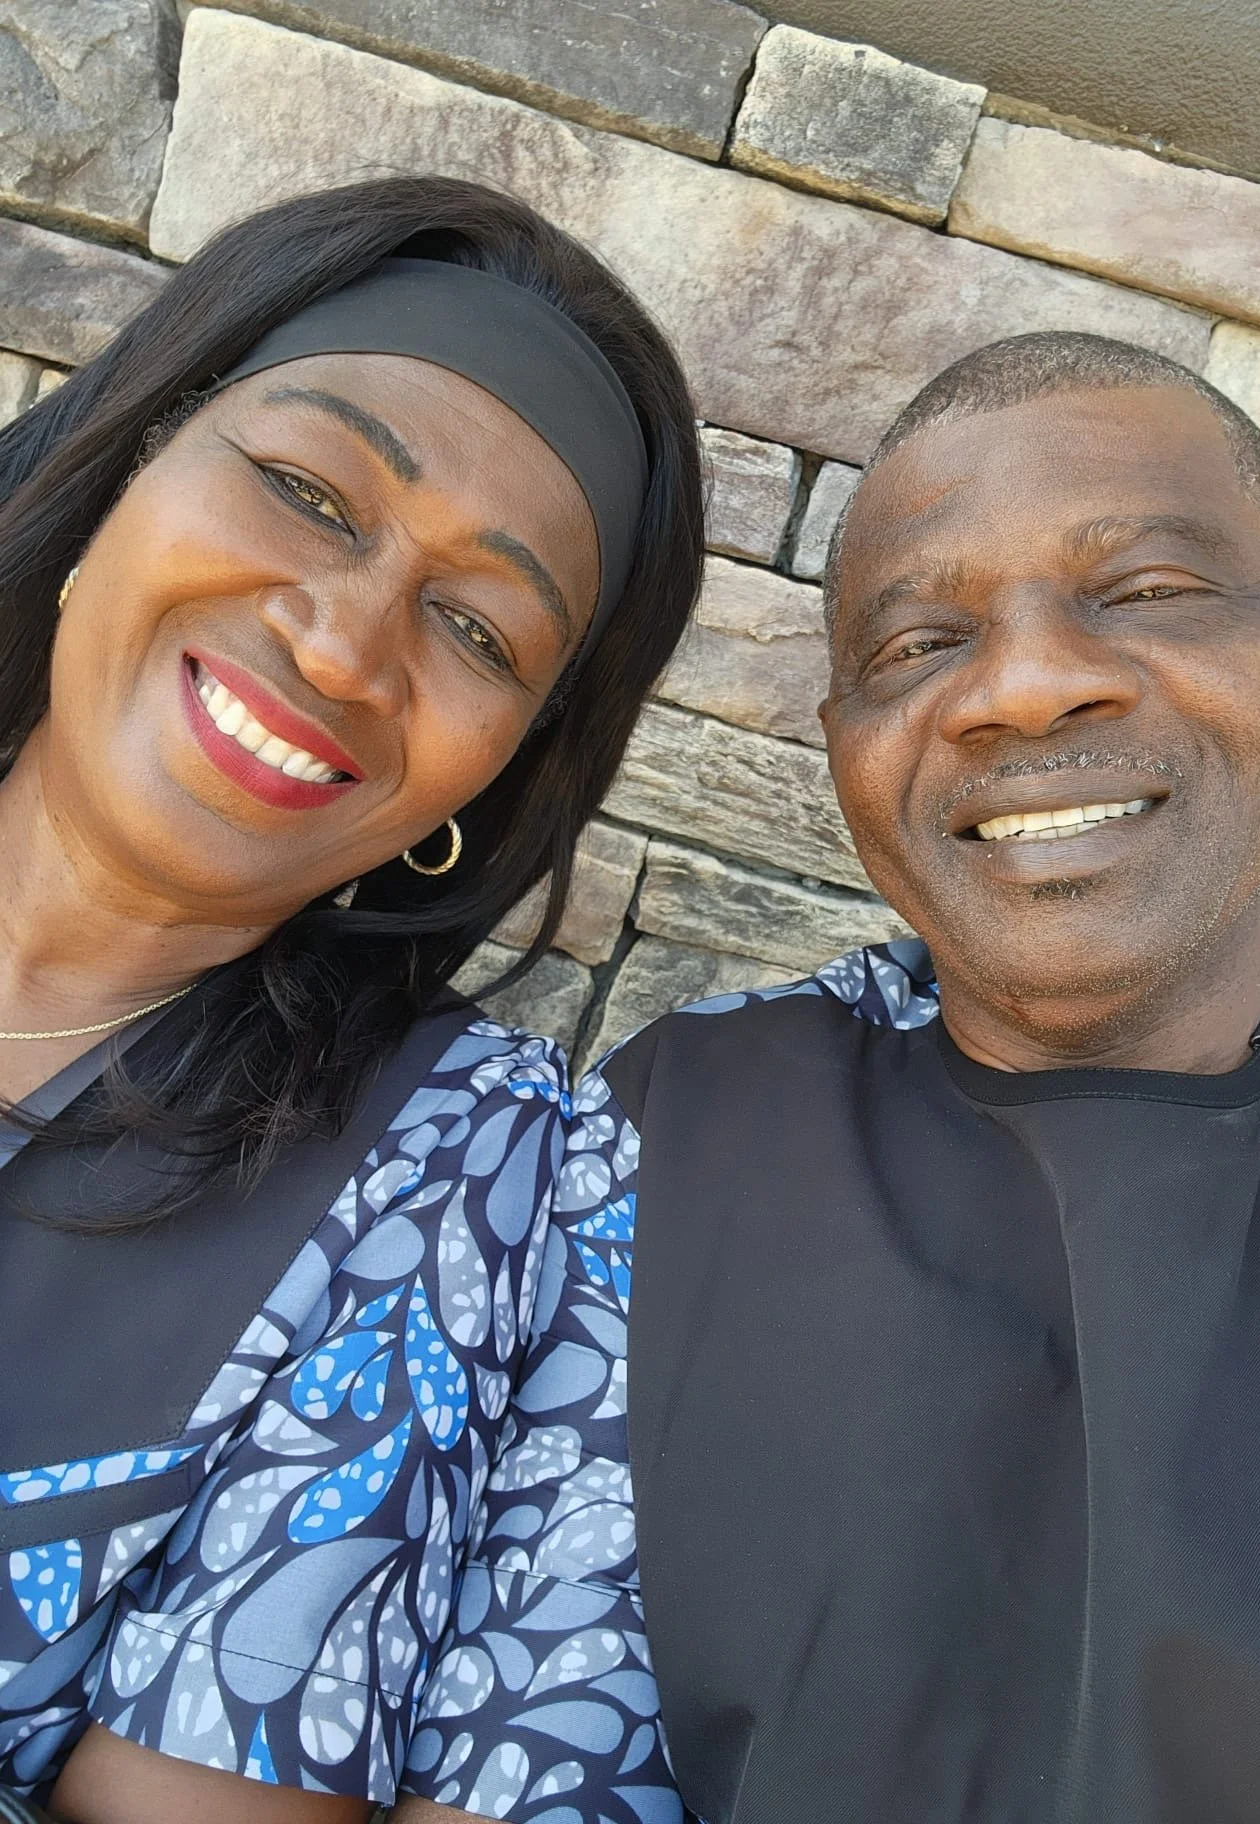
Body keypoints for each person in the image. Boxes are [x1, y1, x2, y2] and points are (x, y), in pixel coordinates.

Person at [394, 332, 1260, 1824]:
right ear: (842, 740)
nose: (1026, 687)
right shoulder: (678, 1132)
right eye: (918, 645)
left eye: (1149, 590)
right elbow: (531, 1748)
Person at [0, 174, 702, 1821]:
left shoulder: (453, 1178)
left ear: (501, 767)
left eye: (476, 627)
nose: (340, 647)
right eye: (310, 493)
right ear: (129, 460)